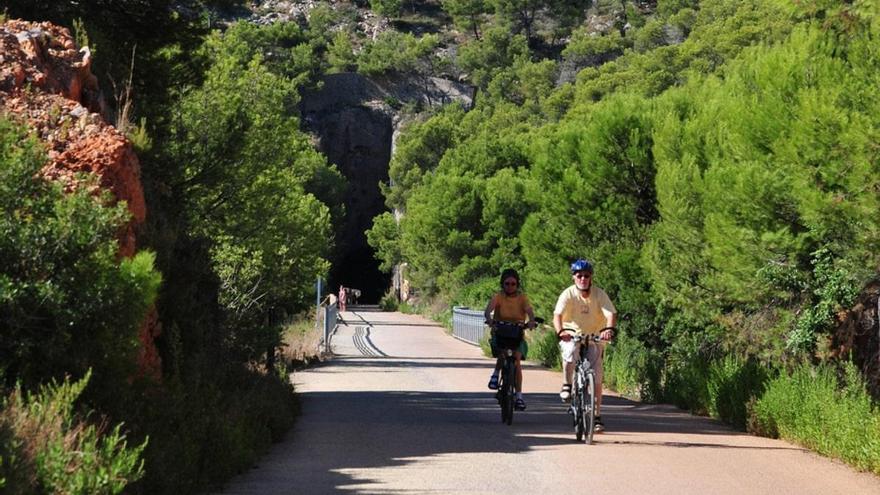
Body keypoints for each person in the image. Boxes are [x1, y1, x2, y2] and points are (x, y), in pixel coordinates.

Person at [554, 258, 616, 433]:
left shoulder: (599, 294)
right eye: (579, 275)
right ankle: (567, 384)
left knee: (596, 377)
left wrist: (608, 329)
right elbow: (557, 315)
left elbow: (610, 313)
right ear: (574, 277)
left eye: (586, 276)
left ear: (591, 278)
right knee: (570, 352)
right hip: (572, 335)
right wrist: (561, 332)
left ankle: (596, 417)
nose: (583, 279)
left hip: (594, 337)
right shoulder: (567, 294)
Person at [484, 268, 537, 411]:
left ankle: (519, 396)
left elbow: (530, 312)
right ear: (502, 284)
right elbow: (488, 310)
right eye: (507, 284)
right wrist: (489, 320)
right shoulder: (498, 296)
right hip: (500, 330)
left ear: (517, 284)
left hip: (516, 332)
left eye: (513, 284)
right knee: (503, 352)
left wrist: (531, 321)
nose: (510, 287)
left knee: (517, 359)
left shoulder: (522, 298)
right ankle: (495, 375)